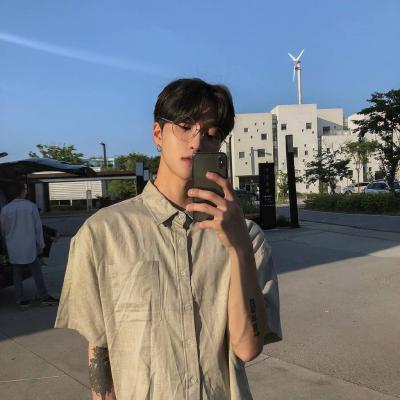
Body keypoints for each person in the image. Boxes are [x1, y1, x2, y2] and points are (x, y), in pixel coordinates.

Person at [55, 78, 282, 400]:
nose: (196, 142)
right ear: (157, 134)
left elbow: (247, 348)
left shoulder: (247, 238)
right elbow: (99, 347)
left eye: (211, 134)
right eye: (185, 127)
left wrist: (239, 249)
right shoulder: (103, 233)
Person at [0, 182, 58, 310]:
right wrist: (41, 245)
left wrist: (7, 243)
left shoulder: (5, 209)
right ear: (22, 191)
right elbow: (37, 228)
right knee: (36, 272)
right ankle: (44, 296)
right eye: (25, 189)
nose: (26, 191)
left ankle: (21, 300)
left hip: (13, 247)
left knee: (17, 273)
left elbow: (3, 230)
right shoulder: (31, 207)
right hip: (29, 246)